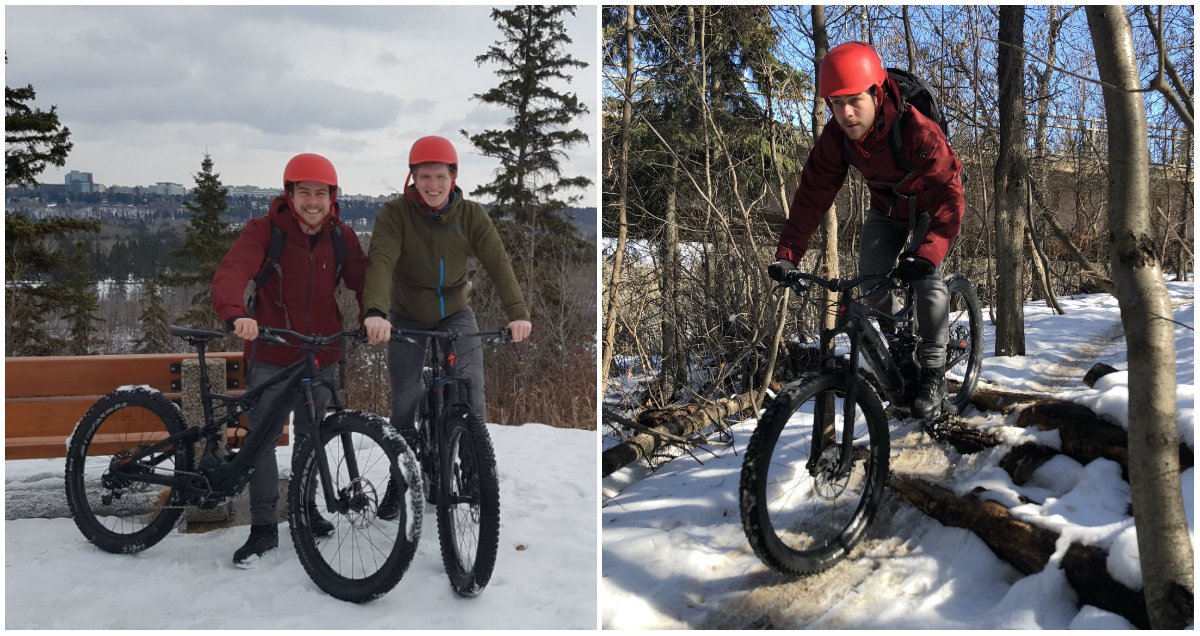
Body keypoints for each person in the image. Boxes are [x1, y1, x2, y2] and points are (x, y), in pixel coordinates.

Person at [768, 41, 964, 419]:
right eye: (835, 103)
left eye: (854, 100)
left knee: (928, 282)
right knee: (871, 285)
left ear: (877, 92)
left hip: (929, 206)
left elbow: (949, 194)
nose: (845, 112)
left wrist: (927, 253)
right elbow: (812, 194)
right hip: (887, 209)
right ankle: (901, 343)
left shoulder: (918, 132)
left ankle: (935, 372)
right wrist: (787, 254)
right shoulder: (838, 137)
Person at [361, 135, 532, 517]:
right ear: (413, 177)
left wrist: (517, 312)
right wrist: (375, 311)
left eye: (440, 176)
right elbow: (382, 261)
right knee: (404, 402)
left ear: (453, 176)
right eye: (425, 176)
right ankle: (399, 479)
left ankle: (474, 472)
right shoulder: (396, 214)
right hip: (406, 315)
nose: (433, 185)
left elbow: (498, 262)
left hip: (456, 311)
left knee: (472, 392)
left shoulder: (471, 215)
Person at [212, 152, 368, 566]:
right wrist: (236, 314)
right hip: (272, 352)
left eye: (321, 194)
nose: (313, 202)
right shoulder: (265, 232)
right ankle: (263, 527)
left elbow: (363, 279)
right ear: (290, 194)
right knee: (262, 442)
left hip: (321, 355)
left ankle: (304, 509)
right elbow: (232, 271)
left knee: (311, 437)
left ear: (332, 198)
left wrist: (374, 314)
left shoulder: (342, 237)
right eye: (305, 193)